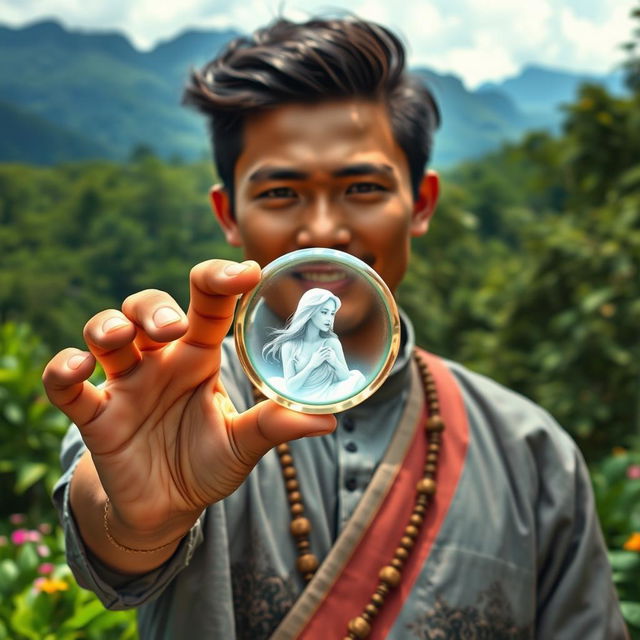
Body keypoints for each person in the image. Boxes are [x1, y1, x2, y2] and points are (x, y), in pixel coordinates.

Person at [43, 15, 627, 640]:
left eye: (363, 186)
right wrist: (139, 523)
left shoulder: (532, 455)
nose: (323, 229)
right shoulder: (172, 406)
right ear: (228, 214)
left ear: (421, 202)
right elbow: (115, 533)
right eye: (280, 194)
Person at [263, 288, 365, 402]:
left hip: (327, 396)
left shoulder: (331, 342)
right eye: (324, 312)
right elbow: (290, 387)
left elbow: (345, 377)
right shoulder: (289, 345)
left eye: (332, 314)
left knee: (357, 378)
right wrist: (312, 364)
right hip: (298, 399)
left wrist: (334, 361)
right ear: (310, 312)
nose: (329, 319)